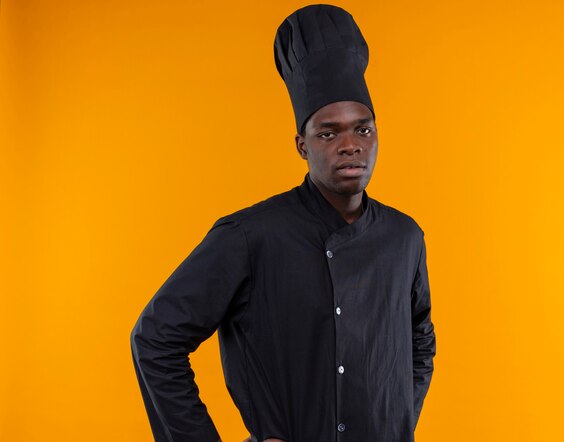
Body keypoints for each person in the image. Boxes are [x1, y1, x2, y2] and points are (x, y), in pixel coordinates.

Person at [130, 4, 436, 442]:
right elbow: (156, 339)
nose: (350, 145)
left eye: (363, 130)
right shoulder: (250, 236)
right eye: (329, 133)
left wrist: (394, 422)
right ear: (301, 144)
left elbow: (420, 342)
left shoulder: (404, 237)